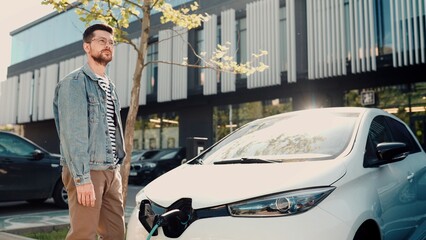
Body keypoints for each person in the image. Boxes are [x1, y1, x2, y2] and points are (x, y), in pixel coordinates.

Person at [53, 23, 126, 240]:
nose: (108, 46)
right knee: (83, 234)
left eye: (111, 42)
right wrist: (82, 178)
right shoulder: (74, 83)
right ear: (87, 47)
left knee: (116, 234)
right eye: (101, 41)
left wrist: (117, 169)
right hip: (88, 170)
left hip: (111, 170)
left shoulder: (109, 85)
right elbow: (73, 135)